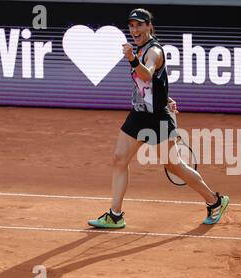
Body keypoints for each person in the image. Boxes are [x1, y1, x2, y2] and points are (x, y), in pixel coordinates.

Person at [88, 8, 229, 229]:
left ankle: (215, 201)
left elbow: (147, 73)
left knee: (174, 165)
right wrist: (166, 96)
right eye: (131, 26)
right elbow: (151, 84)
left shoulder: (153, 51)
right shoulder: (141, 47)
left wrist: (132, 58)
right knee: (119, 159)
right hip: (139, 113)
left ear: (149, 26)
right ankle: (115, 215)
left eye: (139, 25)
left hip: (156, 117)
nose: (135, 30)